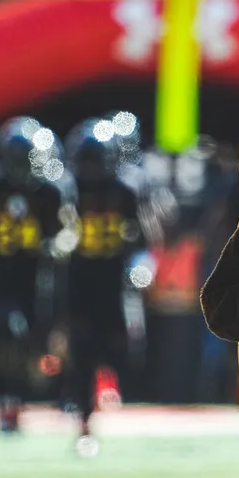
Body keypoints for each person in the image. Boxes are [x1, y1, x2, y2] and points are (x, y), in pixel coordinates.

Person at [0, 116, 65, 433]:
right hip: (3, 275)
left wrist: (55, 246)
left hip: (38, 277)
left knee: (34, 344)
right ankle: (7, 399)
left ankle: (23, 396)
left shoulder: (50, 189)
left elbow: (68, 229)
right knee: (8, 332)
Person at [61, 117, 144, 456]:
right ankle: (84, 419)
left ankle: (110, 396)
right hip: (79, 278)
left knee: (123, 348)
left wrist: (139, 267)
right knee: (81, 350)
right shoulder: (68, 189)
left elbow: (141, 235)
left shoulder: (126, 190)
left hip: (112, 279)